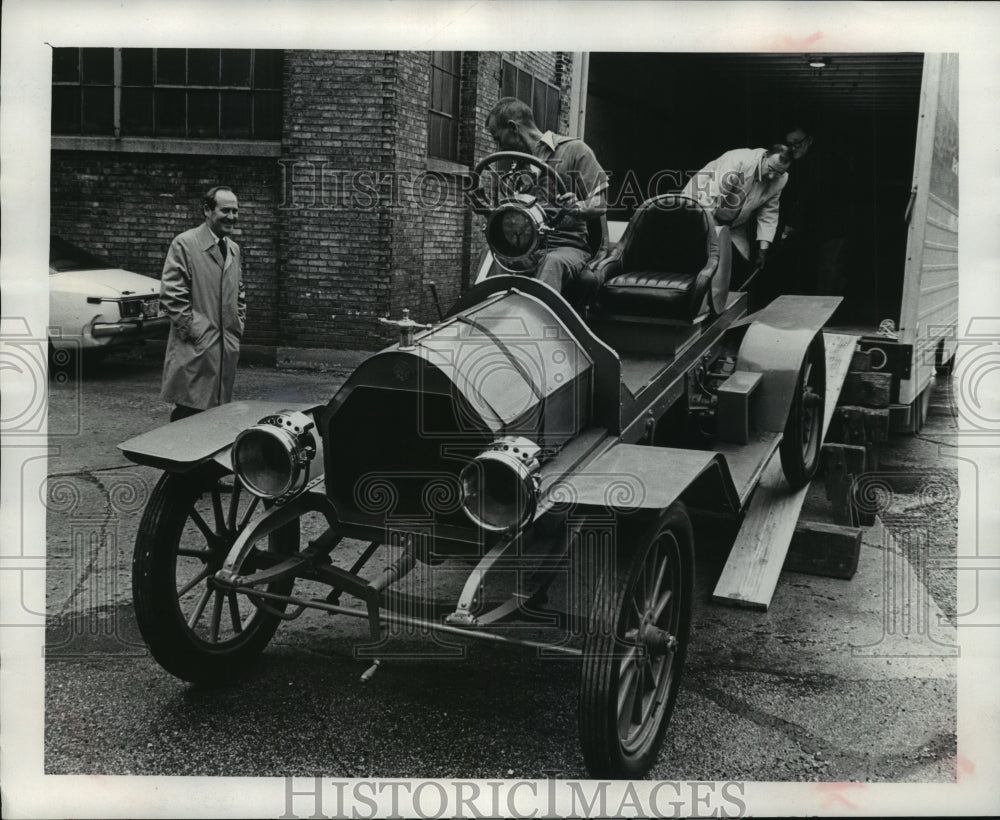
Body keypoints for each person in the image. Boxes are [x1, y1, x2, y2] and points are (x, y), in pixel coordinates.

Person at [484, 97, 608, 309]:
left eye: (499, 138)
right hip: (527, 246)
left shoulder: (575, 150)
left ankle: (537, 329)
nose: (499, 146)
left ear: (513, 128)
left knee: (553, 263)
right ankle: (487, 319)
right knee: (493, 256)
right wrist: (489, 212)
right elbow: (517, 217)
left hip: (567, 246)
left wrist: (577, 207)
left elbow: (600, 203)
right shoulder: (518, 167)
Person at [160, 186, 245, 422]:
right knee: (189, 413)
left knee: (216, 413)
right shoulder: (185, 244)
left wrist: (237, 326)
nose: (232, 216)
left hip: (225, 347)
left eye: (235, 211)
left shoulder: (234, 249)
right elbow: (172, 295)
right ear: (207, 210)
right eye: (225, 210)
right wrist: (195, 331)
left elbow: (240, 292)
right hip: (196, 347)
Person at [682, 144, 793, 289]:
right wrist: (710, 237)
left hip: (734, 222)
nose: (773, 176)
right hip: (702, 209)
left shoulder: (782, 178)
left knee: (740, 262)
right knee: (703, 260)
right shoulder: (737, 161)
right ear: (764, 156)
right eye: (771, 169)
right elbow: (711, 197)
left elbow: (769, 211)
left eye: (779, 172)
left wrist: (763, 247)